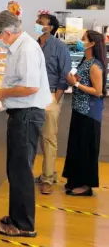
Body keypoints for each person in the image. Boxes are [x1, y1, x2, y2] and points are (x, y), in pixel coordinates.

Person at [0, 11, 51, 238]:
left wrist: (2, 92)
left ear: (6, 32)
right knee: (16, 170)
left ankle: (24, 225)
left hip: (26, 115)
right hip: (22, 114)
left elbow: (31, 87)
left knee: (21, 171)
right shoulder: (20, 47)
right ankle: (16, 217)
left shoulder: (26, 49)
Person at [63, 30, 106, 196]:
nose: (81, 41)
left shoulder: (95, 65)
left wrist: (76, 85)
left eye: (84, 39)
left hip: (89, 113)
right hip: (79, 110)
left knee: (86, 148)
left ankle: (86, 185)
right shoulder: (85, 61)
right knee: (77, 147)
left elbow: (98, 91)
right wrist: (74, 80)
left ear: (92, 43)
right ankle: (75, 180)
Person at [33, 13, 71, 194]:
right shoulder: (32, 45)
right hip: (31, 96)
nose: (37, 24)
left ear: (50, 27)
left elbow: (65, 75)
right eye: (37, 22)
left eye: (41, 23)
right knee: (34, 137)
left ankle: (47, 178)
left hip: (49, 96)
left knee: (48, 137)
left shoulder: (60, 47)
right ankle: (46, 174)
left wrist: (55, 98)